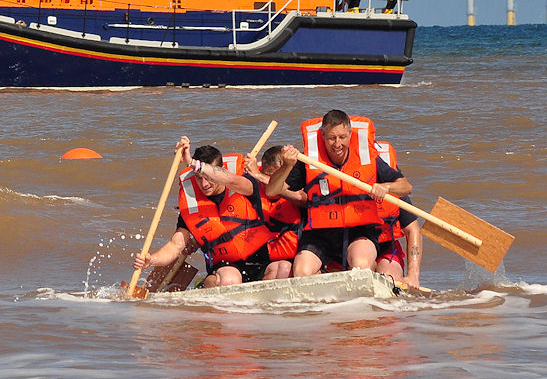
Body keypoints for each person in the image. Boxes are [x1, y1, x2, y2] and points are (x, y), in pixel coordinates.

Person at [265, 109, 412, 277]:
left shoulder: (368, 158)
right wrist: (287, 165)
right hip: (320, 234)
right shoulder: (309, 160)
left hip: (360, 231)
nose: (337, 144)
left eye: (342, 137)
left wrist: (386, 187)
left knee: (361, 265)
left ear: (350, 134)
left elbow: (406, 186)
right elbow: (272, 190)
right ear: (322, 135)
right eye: (331, 138)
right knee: (301, 271)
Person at [131, 137, 294, 287]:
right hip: (226, 266)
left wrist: (190, 162)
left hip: (261, 259)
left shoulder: (244, 185)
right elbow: (175, 246)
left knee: (285, 268)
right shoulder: (191, 205)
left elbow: (231, 180)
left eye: (208, 176)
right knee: (230, 279)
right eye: (198, 177)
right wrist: (151, 260)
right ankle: (206, 285)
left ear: (220, 171)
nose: (204, 183)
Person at [373, 140, 422, 288]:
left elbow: (413, 229)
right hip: (349, 250)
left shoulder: (394, 191)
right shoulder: (342, 181)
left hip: (386, 248)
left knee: (390, 278)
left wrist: (413, 274)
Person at [256, 145, 306, 280]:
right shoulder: (253, 189)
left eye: (274, 177)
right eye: (266, 175)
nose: (269, 183)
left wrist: (260, 176)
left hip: (298, 256)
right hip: (267, 259)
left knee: (284, 268)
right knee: (277, 269)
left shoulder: (298, 187)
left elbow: (301, 198)